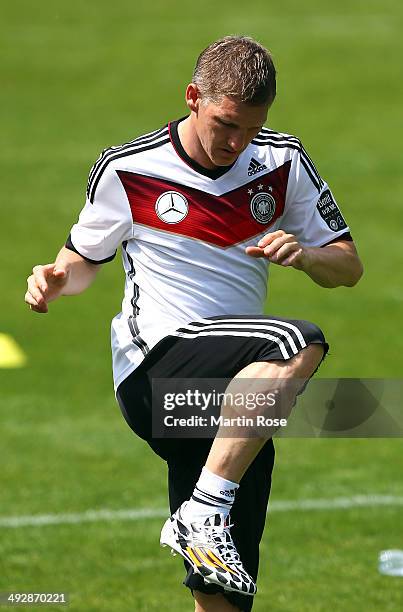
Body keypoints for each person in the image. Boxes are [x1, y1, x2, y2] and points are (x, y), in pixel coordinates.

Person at [25, 36, 363, 612]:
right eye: (225, 124)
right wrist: (56, 280)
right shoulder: (128, 169)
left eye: (250, 130)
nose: (236, 143)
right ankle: (205, 506)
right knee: (297, 343)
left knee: (223, 588)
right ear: (192, 98)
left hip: (235, 402)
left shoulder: (282, 163)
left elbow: (348, 266)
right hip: (154, 372)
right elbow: (80, 263)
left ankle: (203, 511)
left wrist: (305, 256)